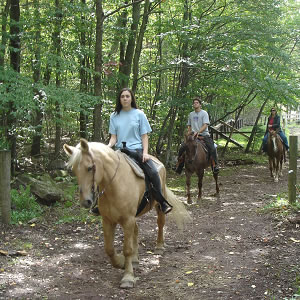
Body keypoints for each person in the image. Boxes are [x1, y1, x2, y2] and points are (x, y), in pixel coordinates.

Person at [107, 87, 172, 214]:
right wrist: (107, 147)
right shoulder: (114, 116)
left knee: (153, 172)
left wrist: (145, 153)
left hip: (136, 150)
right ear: (119, 99)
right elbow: (113, 138)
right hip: (120, 151)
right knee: (103, 171)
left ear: (131, 98)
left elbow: (144, 136)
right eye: (122, 96)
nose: (125, 98)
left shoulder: (139, 114)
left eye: (127, 96)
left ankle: (161, 201)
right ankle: (101, 203)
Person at [175, 97, 219, 175]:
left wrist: (198, 132)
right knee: (182, 147)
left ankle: (215, 165)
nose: (195, 104)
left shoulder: (204, 113)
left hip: (204, 135)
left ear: (200, 105)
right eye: (194, 103)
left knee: (212, 148)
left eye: (197, 103)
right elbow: (189, 125)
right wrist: (189, 132)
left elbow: (205, 125)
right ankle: (179, 165)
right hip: (192, 136)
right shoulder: (191, 114)